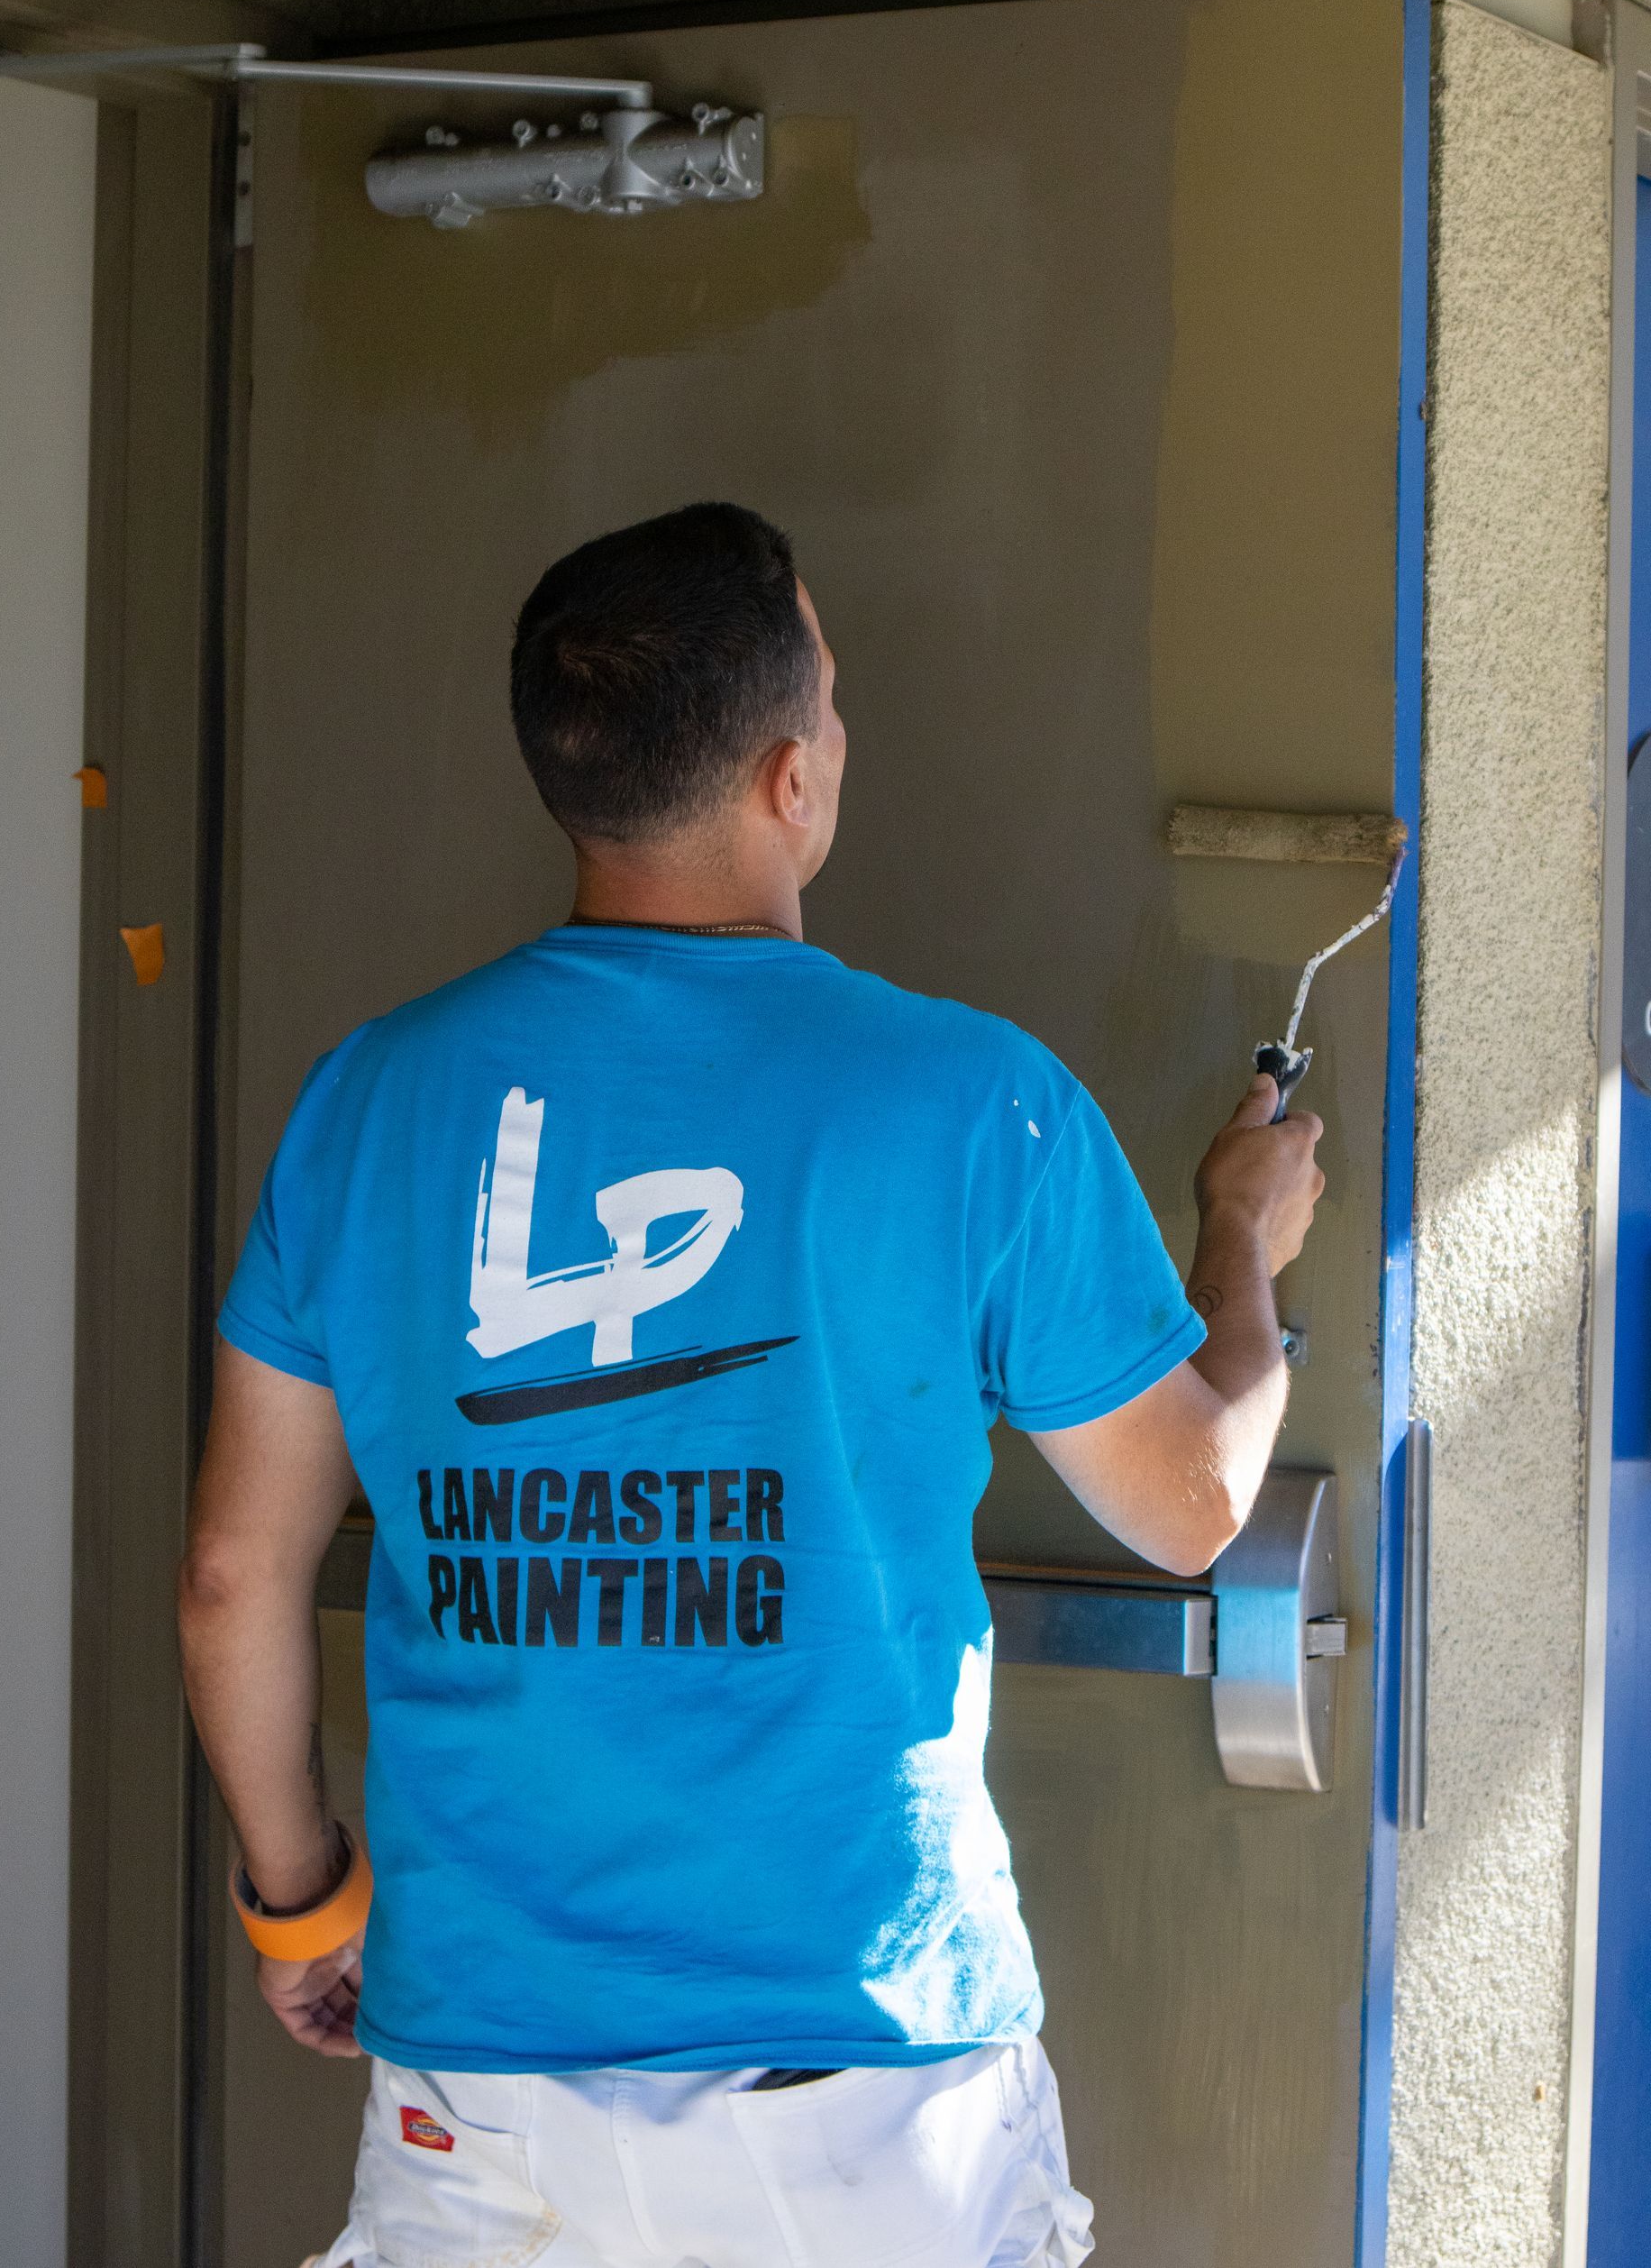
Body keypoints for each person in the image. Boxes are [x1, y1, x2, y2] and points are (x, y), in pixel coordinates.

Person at [179, 501, 1323, 2268]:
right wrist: (1239, 1244)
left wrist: (296, 1900)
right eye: (840, 703)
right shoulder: (973, 1103)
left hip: (483, 2087)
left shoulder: (370, 1101)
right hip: (867, 2085)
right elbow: (1192, 1503)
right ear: (794, 773)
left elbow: (235, 1575)